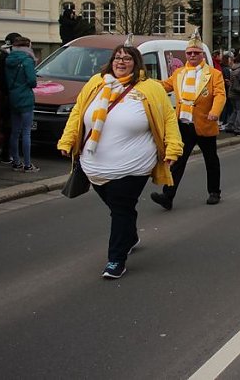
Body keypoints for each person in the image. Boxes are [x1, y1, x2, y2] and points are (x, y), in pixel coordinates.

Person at [58, 42, 183, 279]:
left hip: (133, 166)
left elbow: (168, 118)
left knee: (121, 208)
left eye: (127, 58)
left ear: (136, 63)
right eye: (118, 58)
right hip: (93, 166)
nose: (121, 62)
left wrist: (173, 148)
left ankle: (116, 259)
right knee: (119, 207)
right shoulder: (97, 82)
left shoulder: (150, 88)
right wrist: (67, 141)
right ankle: (130, 235)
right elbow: (78, 112)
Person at [150, 33, 226, 209]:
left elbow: (220, 95)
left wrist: (215, 112)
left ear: (202, 55)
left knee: (211, 159)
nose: (192, 55)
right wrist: (144, 81)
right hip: (183, 124)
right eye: (189, 52)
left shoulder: (214, 74)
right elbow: (163, 86)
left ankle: (214, 192)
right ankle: (167, 196)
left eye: (196, 53)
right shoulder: (179, 73)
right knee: (178, 161)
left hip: (204, 123)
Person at [4, 36, 38, 172]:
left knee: (15, 132)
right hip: (25, 98)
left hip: (13, 97)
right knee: (26, 132)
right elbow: (32, 81)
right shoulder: (27, 60)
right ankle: (28, 164)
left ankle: (16, 162)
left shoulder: (9, 60)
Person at [0, 32, 21, 164]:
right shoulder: (10, 59)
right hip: (8, 97)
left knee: (7, 126)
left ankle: (7, 153)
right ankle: (7, 153)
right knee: (9, 127)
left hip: (4, 96)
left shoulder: (2, 57)